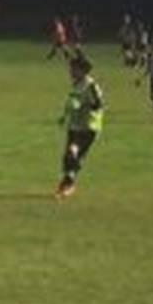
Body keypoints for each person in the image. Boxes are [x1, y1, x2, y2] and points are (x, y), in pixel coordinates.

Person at [55, 54, 105, 199]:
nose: (70, 71)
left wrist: (83, 105)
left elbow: (99, 104)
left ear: (82, 70)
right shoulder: (76, 84)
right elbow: (71, 102)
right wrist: (64, 116)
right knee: (68, 157)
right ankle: (67, 183)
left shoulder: (91, 85)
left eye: (73, 68)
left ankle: (68, 184)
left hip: (89, 127)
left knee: (73, 152)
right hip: (75, 125)